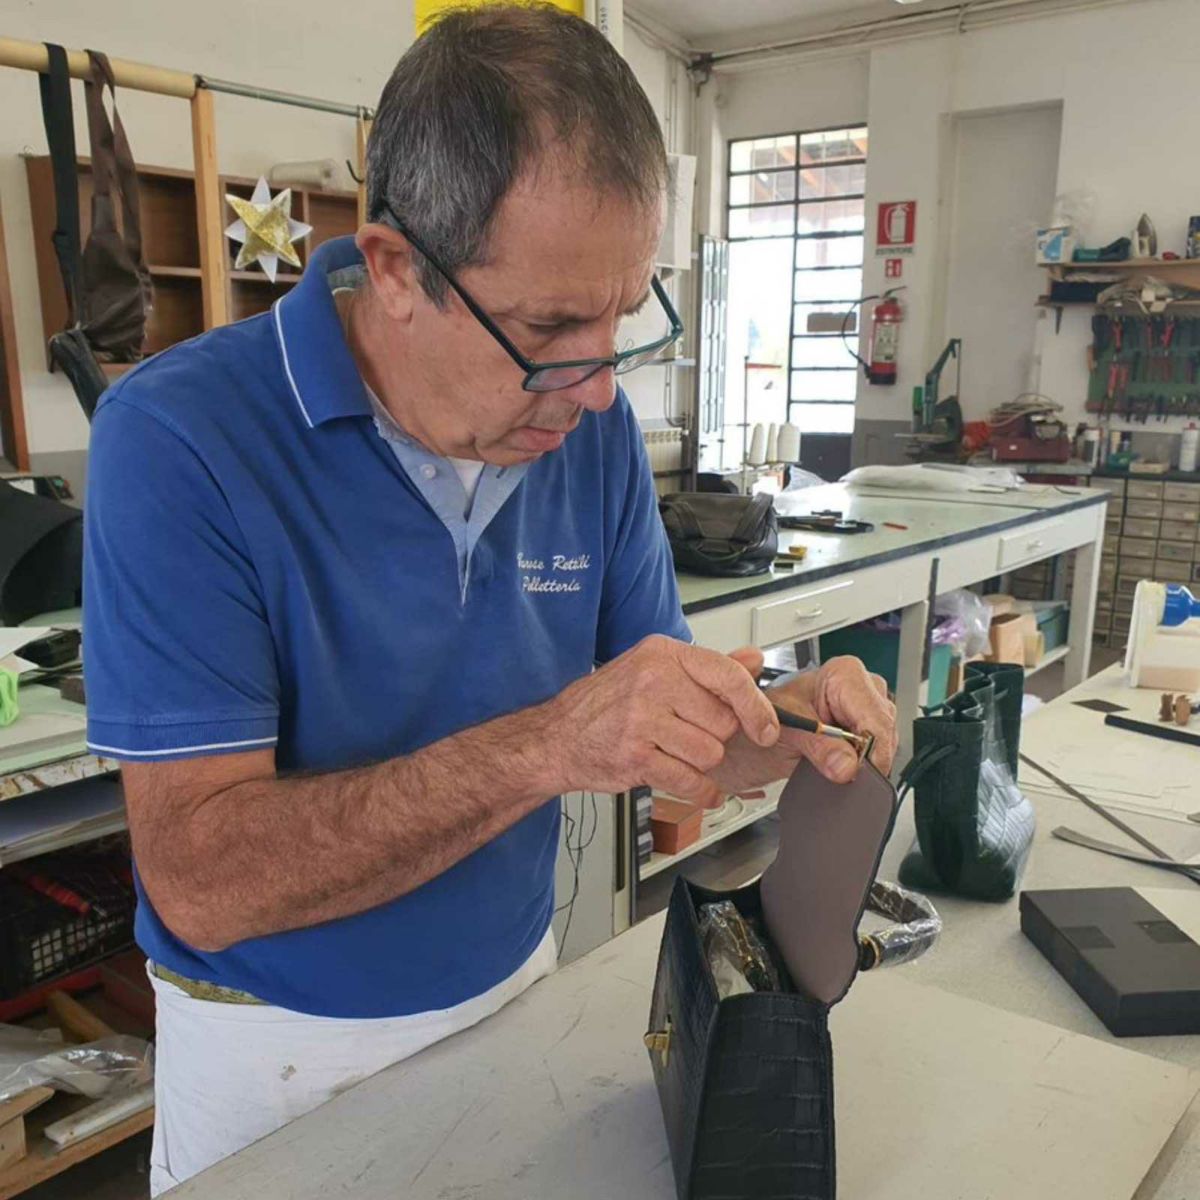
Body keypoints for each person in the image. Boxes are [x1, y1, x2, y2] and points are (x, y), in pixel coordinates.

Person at [83, 4, 896, 1192]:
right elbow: (202, 883)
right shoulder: (178, 438)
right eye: (550, 326)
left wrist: (783, 722)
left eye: (622, 316)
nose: (599, 389)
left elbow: (665, 733)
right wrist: (546, 746)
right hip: (280, 1056)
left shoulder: (583, 426)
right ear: (396, 270)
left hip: (518, 994)